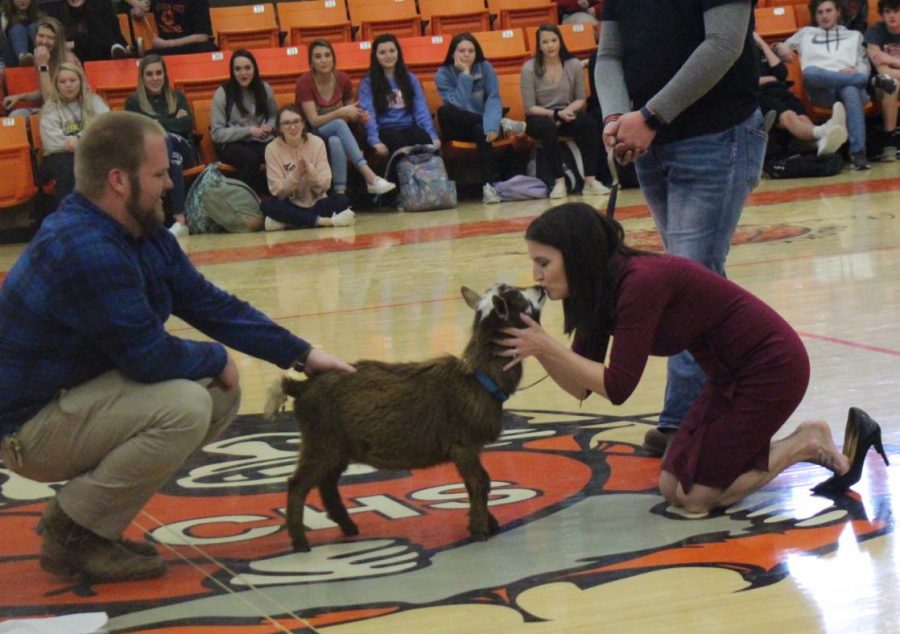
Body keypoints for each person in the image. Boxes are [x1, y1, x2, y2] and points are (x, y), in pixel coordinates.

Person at [0, 110, 354, 583]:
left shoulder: (135, 229)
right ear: (119, 180)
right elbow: (148, 357)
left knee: (214, 393)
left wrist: (304, 354)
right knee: (186, 403)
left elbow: (206, 301)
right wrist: (217, 357)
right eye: (160, 173)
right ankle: (74, 534)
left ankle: (85, 515)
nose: (171, 183)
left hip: (67, 399)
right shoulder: (86, 247)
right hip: (26, 432)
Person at [498, 203, 889, 514]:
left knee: (696, 500)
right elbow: (580, 387)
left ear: (577, 257)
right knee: (672, 488)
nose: (536, 275)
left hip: (773, 368)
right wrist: (539, 346)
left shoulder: (638, 283)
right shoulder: (598, 291)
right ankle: (798, 441)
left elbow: (618, 387)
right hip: (727, 377)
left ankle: (804, 442)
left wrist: (546, 346)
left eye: (544, 263)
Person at [596, 0, 767, 456]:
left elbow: (723, 44)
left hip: (715, 136)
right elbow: (609, 55)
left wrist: (650, 115)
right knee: (692, 281)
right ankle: (734, 400)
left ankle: (686, 420)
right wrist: (615, 117)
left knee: (692, 277)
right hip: (652, 143)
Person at [778, 0, 888, 170]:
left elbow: (863, 67)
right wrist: (779, 46)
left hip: (849, 88)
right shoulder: (806, 34)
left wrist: (858, 72)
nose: (824, 16)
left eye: (828, 11)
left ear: (837, 12)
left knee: (851, 90)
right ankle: (871, 83)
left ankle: (858, 154)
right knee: (811, 73)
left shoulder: (854, 36)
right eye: (820, 12)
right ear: (815, 16)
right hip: (821, 89)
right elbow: (778, 47)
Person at [296, 39, 395, 198]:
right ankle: (370, 177)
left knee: (336, 140)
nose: (324, 60)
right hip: (312, 133)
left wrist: (359, 116)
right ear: (311, 62)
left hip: (338, 131)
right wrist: (340, 112)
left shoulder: (342, 79)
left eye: (327, 55)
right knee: (338, 123)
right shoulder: (304, 83)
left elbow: (351, 112)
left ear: (333, 59)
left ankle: (340, 195)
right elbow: (313, 120)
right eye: (318, 56)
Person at [435, 32, 527, 204]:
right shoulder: (443, 74)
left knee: (480, 130)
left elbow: (493, 98)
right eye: (461, 51)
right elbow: (458, 105)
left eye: (471, 51)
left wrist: (490, 125)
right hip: (458, 128)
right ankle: (503, 124)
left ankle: (488, 186)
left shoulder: (485, 67)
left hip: (484, 126)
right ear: (453, 53)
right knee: (444, 112)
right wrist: (465, 74)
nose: (466, 55)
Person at [521, 24, 608, 199]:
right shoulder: (529, 68)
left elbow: (580, 98)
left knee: (589, 123)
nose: (550, 45)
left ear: (560, 41)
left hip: (567, 113)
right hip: (539, 116)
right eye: (545, 42)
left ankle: (590, 180)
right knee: (547, 128)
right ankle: (559, 181)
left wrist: (566, 111)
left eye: (553, 40)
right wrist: (553, 114)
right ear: (538, 45)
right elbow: (529, 107)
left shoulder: (573, 64)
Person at [125, 53, 195, 237]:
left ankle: (168, 212)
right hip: (150, 156)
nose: (155, 78)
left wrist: (155, 122)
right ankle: (180, 219)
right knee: (174, 159)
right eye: (149, 74)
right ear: (142, 77)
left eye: (158, 73)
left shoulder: (177, 97)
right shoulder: (133, 102)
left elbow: (187, 125)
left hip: (183, 147)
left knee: (165, 139)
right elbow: (136, 132)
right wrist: (172, 120)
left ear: (165, 75)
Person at [261, 104, 355, 231]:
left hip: (317, 203)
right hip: (290, 203)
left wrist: (312, 174)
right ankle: (326, 221)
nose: (293, 127)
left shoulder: (317, 142)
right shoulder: (271, 148)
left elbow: (325, 184)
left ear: (303, 124)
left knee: (343, 200)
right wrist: (296, 174)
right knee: (267, 205)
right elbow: (277, 191)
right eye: (287, 123)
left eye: (296, 121)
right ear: (279, 128)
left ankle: (289, 222)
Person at [754, 30, 848, 157]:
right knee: (789, 116)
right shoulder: (737, 54)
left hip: (780, 90)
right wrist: (769, 78)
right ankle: (824, 130)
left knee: (802, 117)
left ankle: (819, 143)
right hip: (760, 94)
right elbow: (744, 82)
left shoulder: (763, 50)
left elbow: (781, 73)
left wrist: (763, 44)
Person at [39, 60, 108, 209]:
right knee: (70, 166)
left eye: (72, 80)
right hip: (59, 155)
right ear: (56, 85)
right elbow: (51, 143)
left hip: (90, 149)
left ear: (80, 82)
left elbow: (106, 126)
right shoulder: (50, 108)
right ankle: (71, 214)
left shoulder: (94, 101)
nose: (68, 85)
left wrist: (79, 140)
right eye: (63, 82)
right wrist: (76, 144)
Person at [358, 33, 440, 157]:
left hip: (409, 126)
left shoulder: (410, 79)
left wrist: (432, 135)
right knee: (401, 145)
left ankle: (434, 177)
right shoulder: (368, 82)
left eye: (392, 51)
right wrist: (375, 141)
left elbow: (421, 109)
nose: (388, 56)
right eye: (382, 52)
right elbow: (368, 113)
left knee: (424, 142)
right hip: (385, 130)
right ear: (375, 56)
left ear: (398, 53)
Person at [210, 48, 277, 195]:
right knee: (251, 159)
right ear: (232, 72)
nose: (243, 73)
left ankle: (278, 196)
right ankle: (240, 198)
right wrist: (248, 131)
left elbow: (274, 116)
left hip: (260, 139)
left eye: (247, 68)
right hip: (232, 143)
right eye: (238, 69)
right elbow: (216, 133)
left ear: (254, 69)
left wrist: (270, 127)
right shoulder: (223, 93)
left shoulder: (264, 88)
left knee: (277, 152)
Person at [1, 15, 77, 116]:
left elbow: (51, 101)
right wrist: (19, 97)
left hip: (68, 110)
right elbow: (44, 91)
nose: (44, 41)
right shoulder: (41, 57)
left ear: (58, 41)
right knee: (16, 115)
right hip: (49, 107)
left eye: (50, 38)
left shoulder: (67, 60)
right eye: (41, 36)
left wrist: (43, 65)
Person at [864, 0, 900, 161]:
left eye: (896, 11)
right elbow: (882, 71)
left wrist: (892, 61)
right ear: (881, 14)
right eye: (887, 12)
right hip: (879, 84)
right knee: (891, 85)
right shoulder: (875, 32)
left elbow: (887, 65)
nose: (892, 16)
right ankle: (889, 143)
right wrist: (888, 65)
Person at [124, 0, 218, 56]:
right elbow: (143, 8)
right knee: (146, 58)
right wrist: (137, 12)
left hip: (189, 47)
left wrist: (168, 44)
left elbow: (202, 36)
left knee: (208, 49)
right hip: (163, 50)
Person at [59, 0, 131, 61]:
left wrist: (76, 43)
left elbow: (112, 35)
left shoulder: (101, 5)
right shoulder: (57, 9)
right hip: (71, 61)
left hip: (103, 55)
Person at [2, 0, 43, 68]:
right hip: (13, 57)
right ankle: (24, 58)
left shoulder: (39, 16)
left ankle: (41, 55)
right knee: (18, 29)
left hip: (37, 56)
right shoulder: (5, 17)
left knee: (34, 27)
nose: (22, 0)